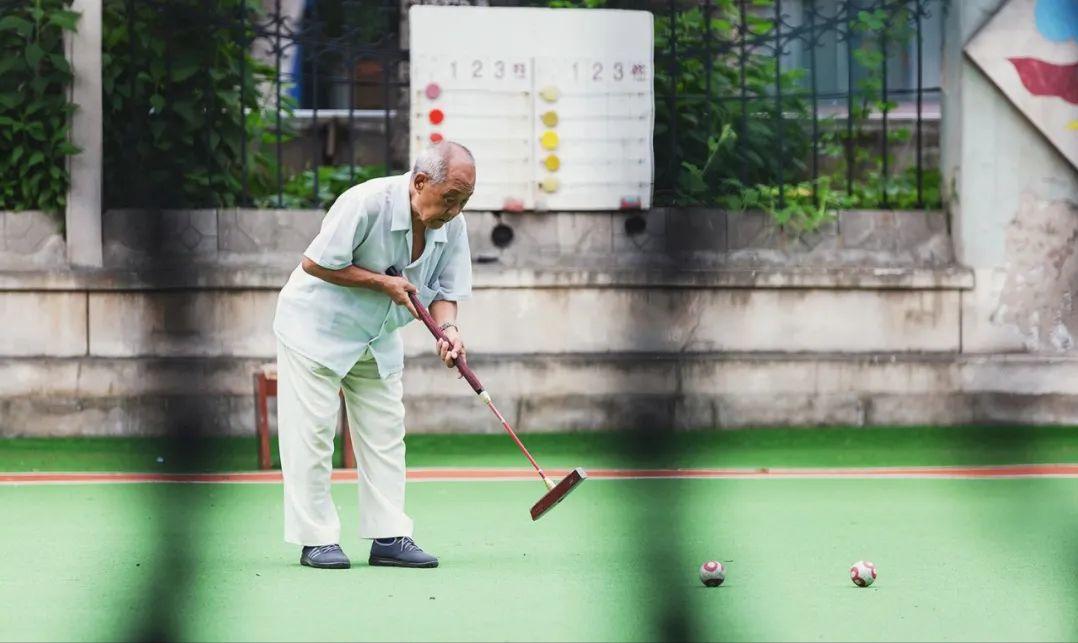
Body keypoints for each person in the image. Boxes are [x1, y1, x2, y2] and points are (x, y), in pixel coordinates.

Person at [272, 141, 475, 569]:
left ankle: (390, 536)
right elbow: (314, 263)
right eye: (450, 198)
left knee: (386, 433)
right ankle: (317, 540)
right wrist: (381, 283)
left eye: (464, 201)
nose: (455, 210)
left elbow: (446, 290)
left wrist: (449, 331)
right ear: (420, 182)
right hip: (316, 329)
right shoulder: (366, 203)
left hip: (377, 335)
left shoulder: (452, 225)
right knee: (312, 435)